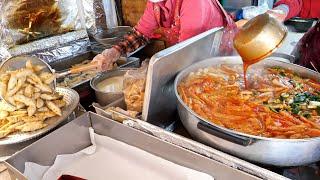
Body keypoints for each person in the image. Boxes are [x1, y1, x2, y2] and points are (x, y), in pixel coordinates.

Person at [93, 0, 235, 71]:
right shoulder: (156, 3)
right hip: (187, 54)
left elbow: (186, 56)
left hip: (218, 59)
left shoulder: (195, 4)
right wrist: (115, 52)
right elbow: (141, 33)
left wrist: (154, 72)